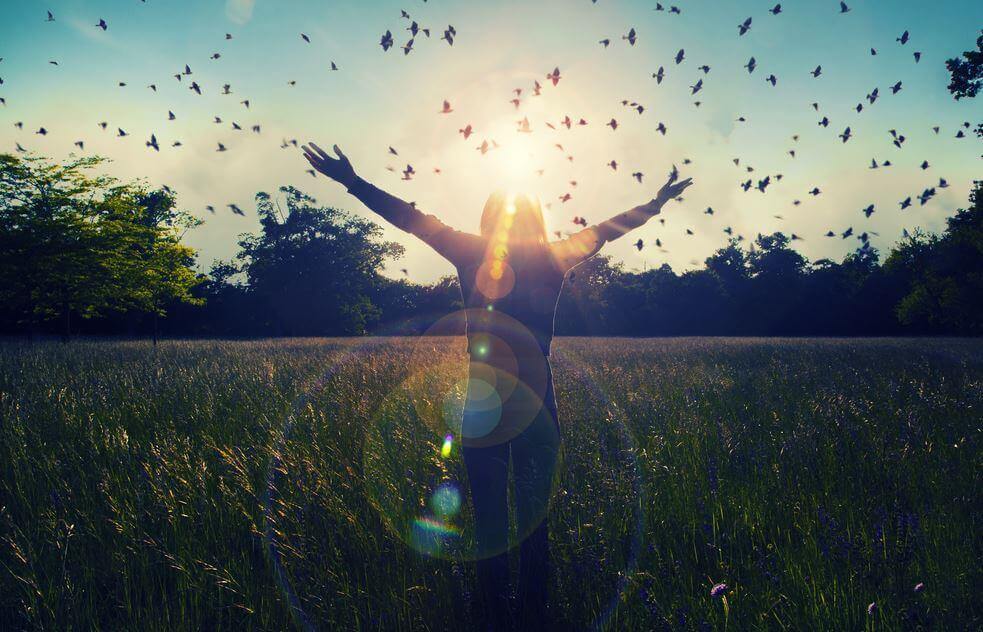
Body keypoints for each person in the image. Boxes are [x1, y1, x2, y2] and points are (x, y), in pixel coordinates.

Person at [302, 142, 692, 630]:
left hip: (484, 398)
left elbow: (408, 218)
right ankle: (532, 614)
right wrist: (655, 204)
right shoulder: (554, 257)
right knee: (534, 520)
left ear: (490, 220)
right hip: (536, 400)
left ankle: (492, 613)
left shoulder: (470, 250)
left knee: (491, 520)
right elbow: (608, 230)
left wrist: (352, 181)